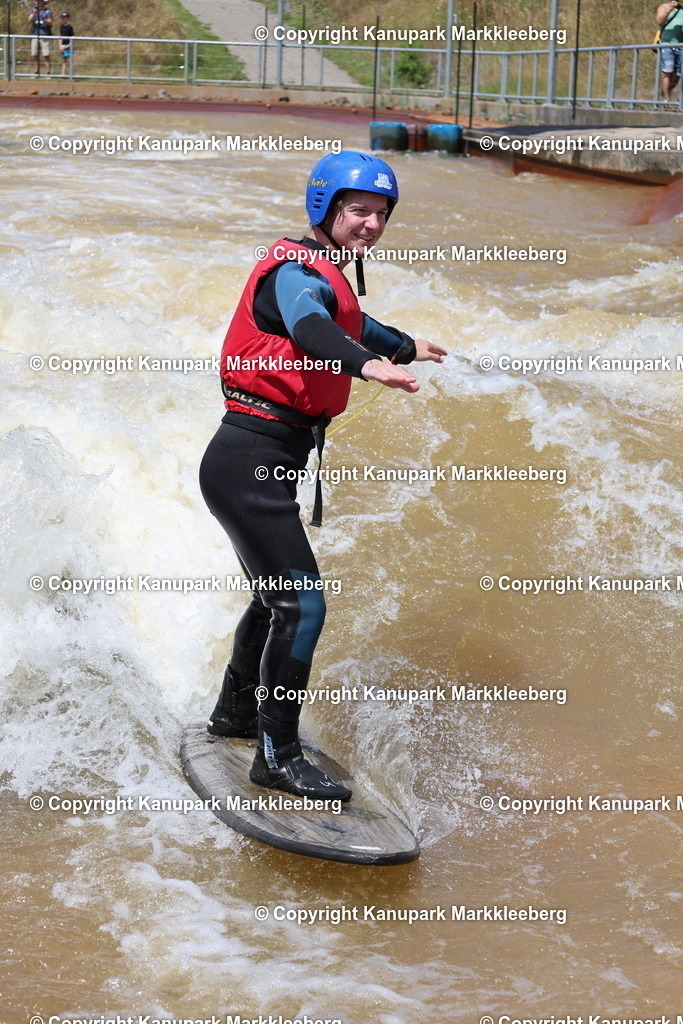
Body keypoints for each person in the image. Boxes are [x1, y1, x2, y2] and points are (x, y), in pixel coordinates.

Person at [199, 151, 446, 801]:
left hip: (262, 460)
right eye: (358, 210)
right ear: (324, 207)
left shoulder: (323, 269)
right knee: (302, 604)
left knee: (273, 599)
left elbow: (351, 320)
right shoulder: (292, 271)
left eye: (382, 214)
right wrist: (366, 366)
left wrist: (404, 346)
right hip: (248, 461)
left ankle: (235, 716)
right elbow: (310, 324)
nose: (372, 224)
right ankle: (276, 757)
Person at [657, 0, 683, 103]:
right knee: (668, 72)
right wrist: (669, 9)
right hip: (666, 44)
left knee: (678, 74)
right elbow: (659, 21)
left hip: (680, 45)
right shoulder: (663, 7)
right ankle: (667, 100)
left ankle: (666, 91)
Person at [28, 0, 53, 77]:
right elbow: (29, 20)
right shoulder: (33, 10)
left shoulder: (48, 11)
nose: (39, 2)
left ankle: (48, 73)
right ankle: (36, 72)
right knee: (35, 54)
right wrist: (34, 13)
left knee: (46, 54)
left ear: (44, 2)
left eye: (41, 1)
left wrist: (42, 17)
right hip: (35, 34)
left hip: (44, 34)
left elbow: (50, 23)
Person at [59, 12, 74, 77]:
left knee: (71, 61)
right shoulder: (61, 27)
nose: (62, 19)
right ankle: (63, 74)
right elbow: (61, 37)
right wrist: (60, 45)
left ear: (68, 18)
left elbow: (72, 37)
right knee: (64, 60)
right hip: (63, 45)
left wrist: (68, 45)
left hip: (69, 45)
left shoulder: (70, 27)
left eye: (64, 18)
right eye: (62, 18)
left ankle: (72, 74)